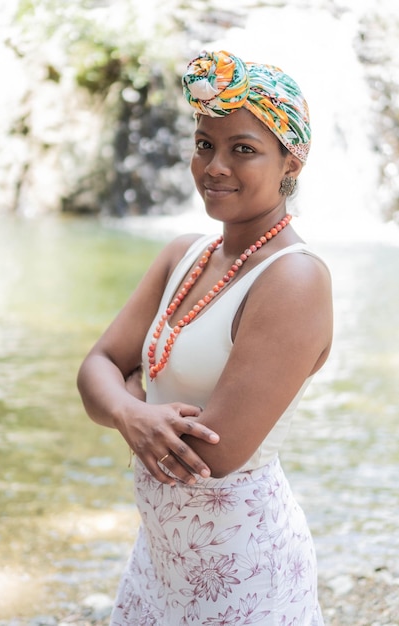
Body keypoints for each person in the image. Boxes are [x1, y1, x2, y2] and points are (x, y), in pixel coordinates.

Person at [77, 49, 333, 625]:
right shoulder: (184, 254)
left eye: (244, 149)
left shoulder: (294, 278)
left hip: (242, 569)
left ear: (291, 162)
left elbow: (215, 452)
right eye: (203, 144)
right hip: (158, 560)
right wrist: (131, 412)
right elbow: (96, 365)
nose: (214, 165)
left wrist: (122, 403)